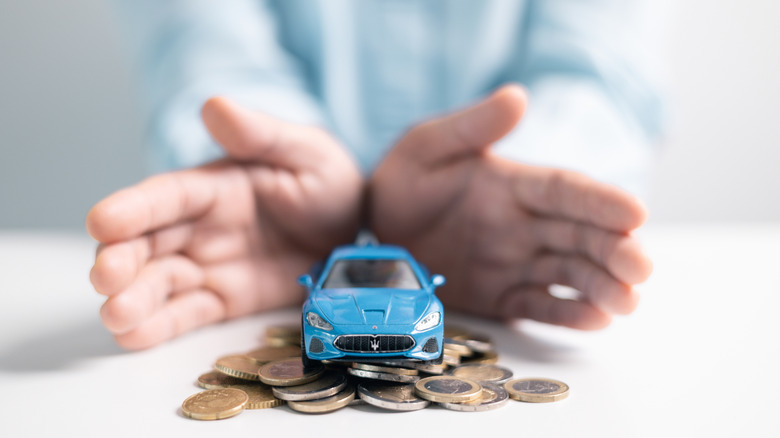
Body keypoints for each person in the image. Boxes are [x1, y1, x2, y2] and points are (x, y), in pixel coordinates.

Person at [87, 1, 660, 350]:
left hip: (494, 221)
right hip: (265, 232)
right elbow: (207, 49)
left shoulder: (418, 298)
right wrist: (267, 162)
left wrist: (519, 170)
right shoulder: (323, 297)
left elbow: (599, 69)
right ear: (313, 289)